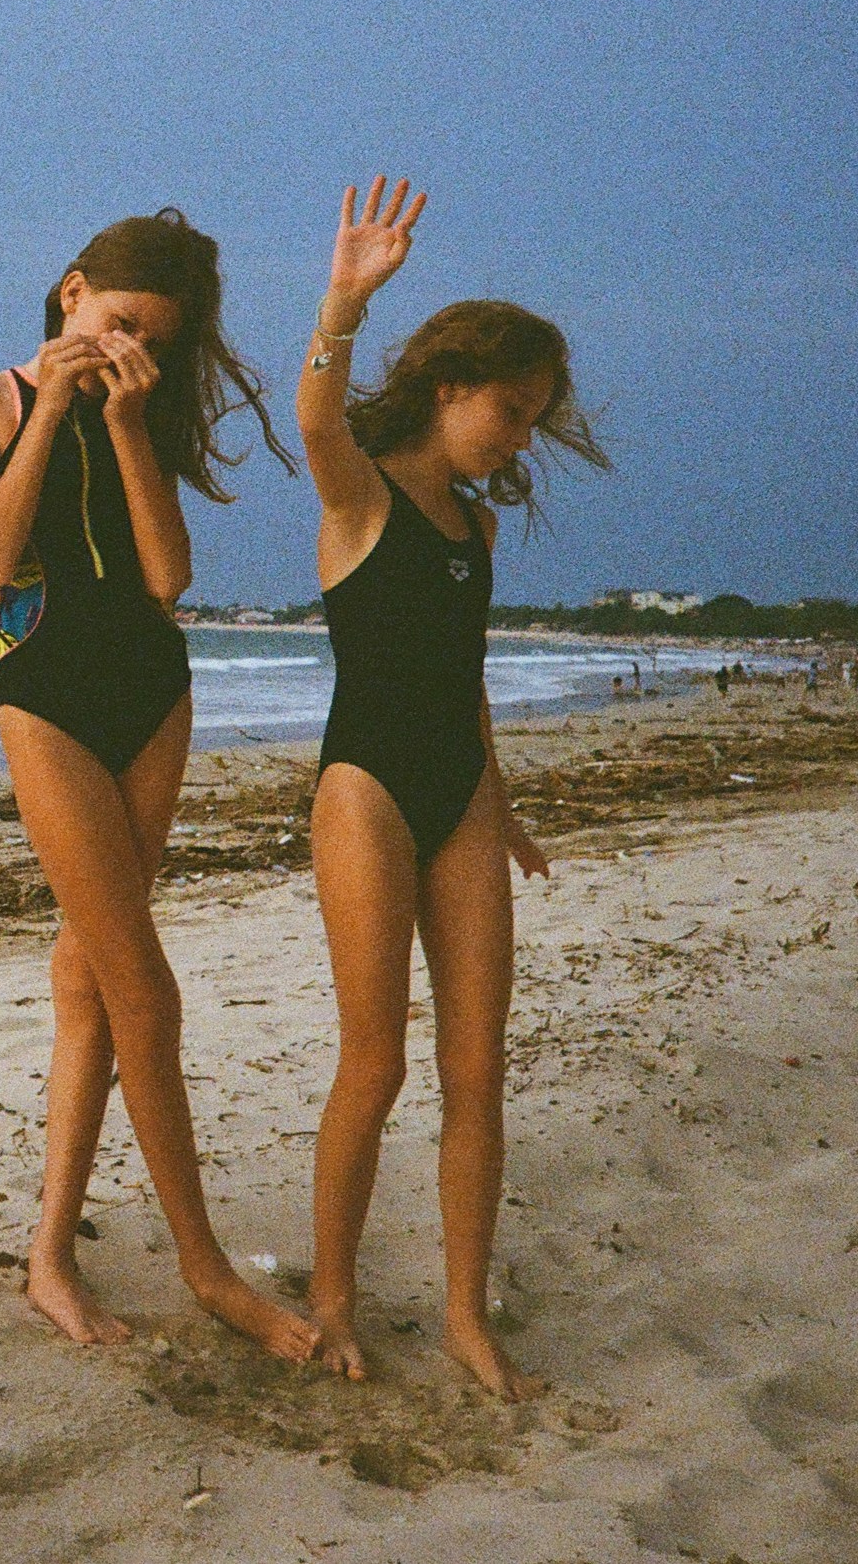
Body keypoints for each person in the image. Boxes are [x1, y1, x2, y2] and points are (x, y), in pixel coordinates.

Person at [0, 209, 314, 1360]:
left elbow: (166, 574)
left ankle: (50, 1252)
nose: (120, 348)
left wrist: (132, 421)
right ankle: (206, 1268)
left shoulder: (137, 408)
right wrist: (51, 404)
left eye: (149, 338)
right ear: (68, 293)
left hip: (152, 689)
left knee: (91, 976)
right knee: (144, 989)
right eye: (114, 324)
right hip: (43, 691)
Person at [291, 178, 606, 1399]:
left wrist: (504, 804)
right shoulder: (359, 492)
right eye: (509, 411)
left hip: (461, 794)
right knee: (374, 1062)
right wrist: (347, 297)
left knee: (481, 1070)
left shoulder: (470, 529)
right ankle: (331, 1296)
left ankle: (467, 1317)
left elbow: (463, 676)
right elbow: (318, 415)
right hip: (363, 789)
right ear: (446, 384)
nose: (518, 437)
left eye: (532, 419)